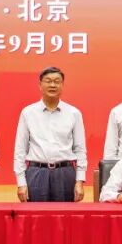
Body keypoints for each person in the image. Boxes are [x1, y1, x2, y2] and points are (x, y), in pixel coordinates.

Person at [13, 66, 86, 203]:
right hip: (37, 173)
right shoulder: (28, 113)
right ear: (40, 85)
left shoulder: (74, 113)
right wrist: (21, 182)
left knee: (64, 216)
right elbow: (20, 150)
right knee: (36, 215)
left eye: (57, 81)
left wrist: (80, 181)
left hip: (65, 173)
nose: (52, 85)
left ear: (62, 85)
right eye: (48, 81)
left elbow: (80, 149)